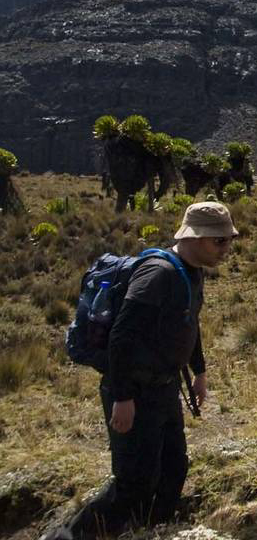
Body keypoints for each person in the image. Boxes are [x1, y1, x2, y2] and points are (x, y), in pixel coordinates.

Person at [45, 202, 236, 540]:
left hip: (164, 389)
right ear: (193, 238)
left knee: (172, 469)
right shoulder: (158, 274)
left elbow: (189, 323)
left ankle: (150, 531)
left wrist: (199, 372)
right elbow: (121, 336)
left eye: (228, 240)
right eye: (218, 241)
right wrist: (123, 397)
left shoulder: (193, 270)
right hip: (135, 390)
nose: (226, 249)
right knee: (133, 483)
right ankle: (67, 537)